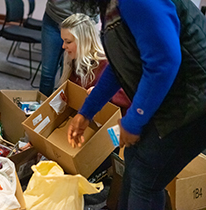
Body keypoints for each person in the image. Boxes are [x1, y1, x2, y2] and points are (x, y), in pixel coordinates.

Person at [67, 0, 206, 209]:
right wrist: (87, 111)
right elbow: (119, 64)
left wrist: (133, 120)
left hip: (194, 101)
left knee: (146, 175)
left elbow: (164, 61)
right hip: (174, 97)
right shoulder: (112, 5)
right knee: (133, 160)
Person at [59, 13, 130, 115]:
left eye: (68, 42)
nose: (63, 46)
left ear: (84, 41)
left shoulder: (106, 64)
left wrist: (102, 92)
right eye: (63, 41)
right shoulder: (73, 61)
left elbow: (128, 97)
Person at [39, 0, 99, 97]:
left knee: (72, 74)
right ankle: (42, 109)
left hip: (82, 26)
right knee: (47, 73)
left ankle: (63, 109)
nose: (64, 46)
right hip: (55, 17)